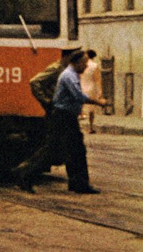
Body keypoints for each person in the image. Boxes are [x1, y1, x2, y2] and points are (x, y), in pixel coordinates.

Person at [18, 50, 95, 194]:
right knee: (56, 149)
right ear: (71, 58)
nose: (86, 66)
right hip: (61, 114)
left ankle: (78, 183)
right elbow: (35, 82)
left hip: (64, 114)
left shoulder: (67, 72)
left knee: (73, 149)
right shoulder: (60, 71)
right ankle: (24, 172)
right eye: (84, 62)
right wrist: (47, 101)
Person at [80, 49, 103, 133]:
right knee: (91, 110)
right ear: (93, 57)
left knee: (80, 107)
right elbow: (97, 79)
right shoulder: (94, 65)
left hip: (81, 86)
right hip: (91, 87)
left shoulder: (81, 64)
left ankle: (78, 126)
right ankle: (90, 127)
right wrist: (99, 91)